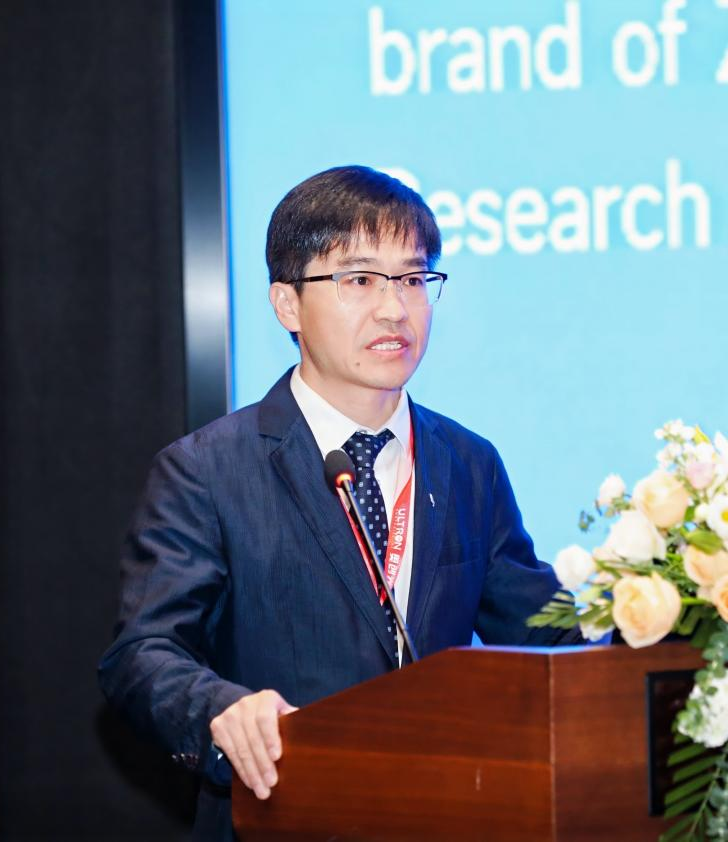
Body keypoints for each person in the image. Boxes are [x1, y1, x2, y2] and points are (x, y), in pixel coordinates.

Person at [99, 165, 580, 839]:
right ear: (287, 305)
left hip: (448, 816)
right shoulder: (206, 471)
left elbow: (547, 640)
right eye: (359, 281)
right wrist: (221, 709)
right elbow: (142, 653)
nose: (394, 310)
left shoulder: (469, 463)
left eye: (412, 280)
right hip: (282, 816)